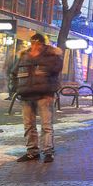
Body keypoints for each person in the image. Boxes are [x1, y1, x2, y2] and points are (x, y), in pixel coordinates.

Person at [11, 32, 63, 162]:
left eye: (37, 43)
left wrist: (51, 92)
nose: (34, 45)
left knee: (46, 125)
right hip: (26, 95)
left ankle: (48, 152)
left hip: (44, 95)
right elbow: (13, 73)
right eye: (32, 42)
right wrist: (15, 89)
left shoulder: (51, 56)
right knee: (28, 125)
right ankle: (32, 151)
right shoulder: (23, 56)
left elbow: (55, 73)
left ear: (42, 44)